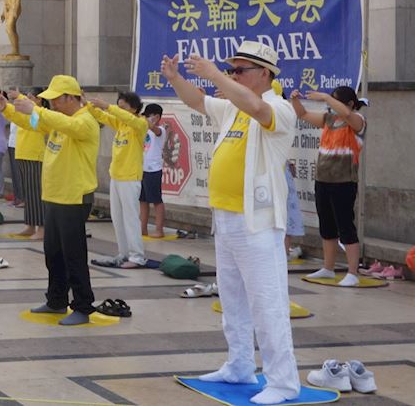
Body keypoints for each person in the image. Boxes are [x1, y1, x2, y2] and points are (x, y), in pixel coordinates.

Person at [162, 42, 301, 405]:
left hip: (257, 223)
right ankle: (239, 365)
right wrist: (176, 79)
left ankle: (283, 382)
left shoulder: (280, 108)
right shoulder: (231, 110)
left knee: (267, 302)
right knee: (234, 300)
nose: (234, 75)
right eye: (232, 70)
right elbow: (197, 101)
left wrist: (215, 75)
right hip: (225, 218)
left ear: (265, 74)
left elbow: (257, 107)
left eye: (240, 70)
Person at [0, 75, 99, 325]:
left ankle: (83, 306)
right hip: (54, 195)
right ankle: (56, 300)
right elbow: (32, 122)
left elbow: (52, 120)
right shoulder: (57, 120)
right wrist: (7, 110)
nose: (51, 103)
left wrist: (35, 108)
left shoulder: (85, 121)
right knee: (52, 252)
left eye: (55, 99)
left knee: (73, 255)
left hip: (74, 197)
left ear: (70, 97)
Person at [291, 86, 367, 287]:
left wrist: (325, 96)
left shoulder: (357, 121)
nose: (330, 105)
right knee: (327, 226)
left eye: (334, 101)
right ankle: (328, 268)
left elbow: (347, 114)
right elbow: (303, 114)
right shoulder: (329, 119)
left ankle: (352, 272)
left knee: (346, 226)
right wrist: (295, 100)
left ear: (349, 103)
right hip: (323, 179)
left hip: (344, 182)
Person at [88, 91, 151, 268]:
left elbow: (116, 114)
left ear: (134, 108)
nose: (118, 109)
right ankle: (124, 253)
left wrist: (108, 106)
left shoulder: (139, 124)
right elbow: (101, 115)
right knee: (118, 218)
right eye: (118, 105)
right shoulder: (121, 124)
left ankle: (137, 256)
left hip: (130, 178)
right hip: (116, 177)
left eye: (122, 107)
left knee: (131, 218)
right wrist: (84, 103)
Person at [2, 88, 47, 239]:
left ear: (39, 100)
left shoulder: (40, 112)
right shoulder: (26, 114)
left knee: (36, 193)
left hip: (35, 155)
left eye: (30, 97)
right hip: (22, 153)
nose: (25, 100)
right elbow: (16, 116)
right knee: (28, 193)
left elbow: (34, 121)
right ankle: (30, 225)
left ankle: (41, 228)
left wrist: (19, 96)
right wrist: (4, 105)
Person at [139, 103, 166, 238]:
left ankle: (159, 229)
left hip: (153, 169)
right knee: (143, 200)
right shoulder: (144, 129)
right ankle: (143, 228)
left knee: (156, 200)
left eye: (148, 116)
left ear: (156, 117)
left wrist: (150, 122)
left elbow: (155, 131)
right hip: (142, 168)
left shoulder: (160, 130)